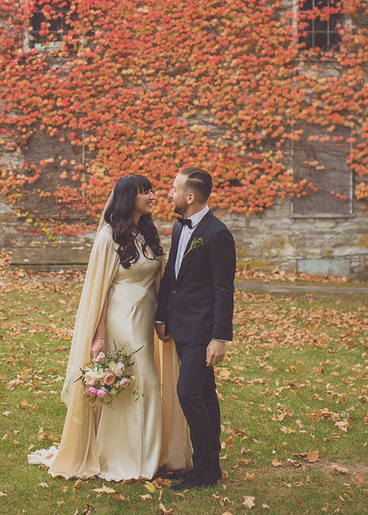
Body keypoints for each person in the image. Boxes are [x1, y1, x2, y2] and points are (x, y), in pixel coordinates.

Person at [28, 174, 191, 480]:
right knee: (141, 381)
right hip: (122, 319)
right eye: (146, 192)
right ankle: (128, 458)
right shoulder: (109, 239)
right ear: (129, 198)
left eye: (153, 190)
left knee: (146, 384)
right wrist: (99, 336)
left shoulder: (146, 234)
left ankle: (151, 454)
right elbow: (99, 291)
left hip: (146, 318)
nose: (154, 196)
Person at [155, 167, 235, 490]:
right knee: (204, 392)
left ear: (189, 197)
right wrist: (162, 316)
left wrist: (219, 337)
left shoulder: (217, 234)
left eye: (173, 189)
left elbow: (223, 289)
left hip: (203, 331)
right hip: (180, 326)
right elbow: (172, 278)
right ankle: (210, 465)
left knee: (188, 393)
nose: (169, 194)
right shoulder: (178, 229)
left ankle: (203, 466)